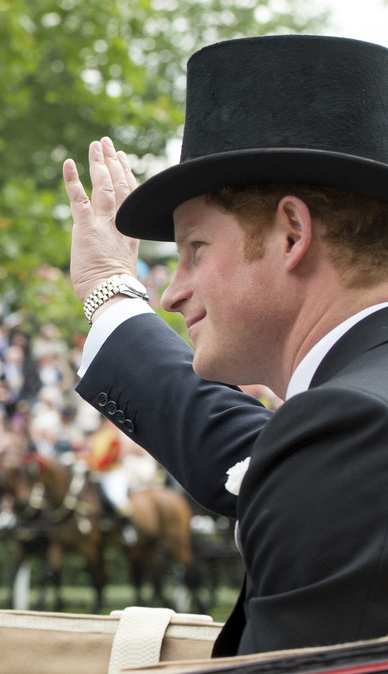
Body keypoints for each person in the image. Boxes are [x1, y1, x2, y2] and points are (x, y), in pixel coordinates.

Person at [63, 34, 388, 656]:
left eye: (194, 250)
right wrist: (108, 292)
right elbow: (262, 458)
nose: (172, 293)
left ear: (292, 234)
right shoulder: (346, 426)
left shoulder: (356, 430)